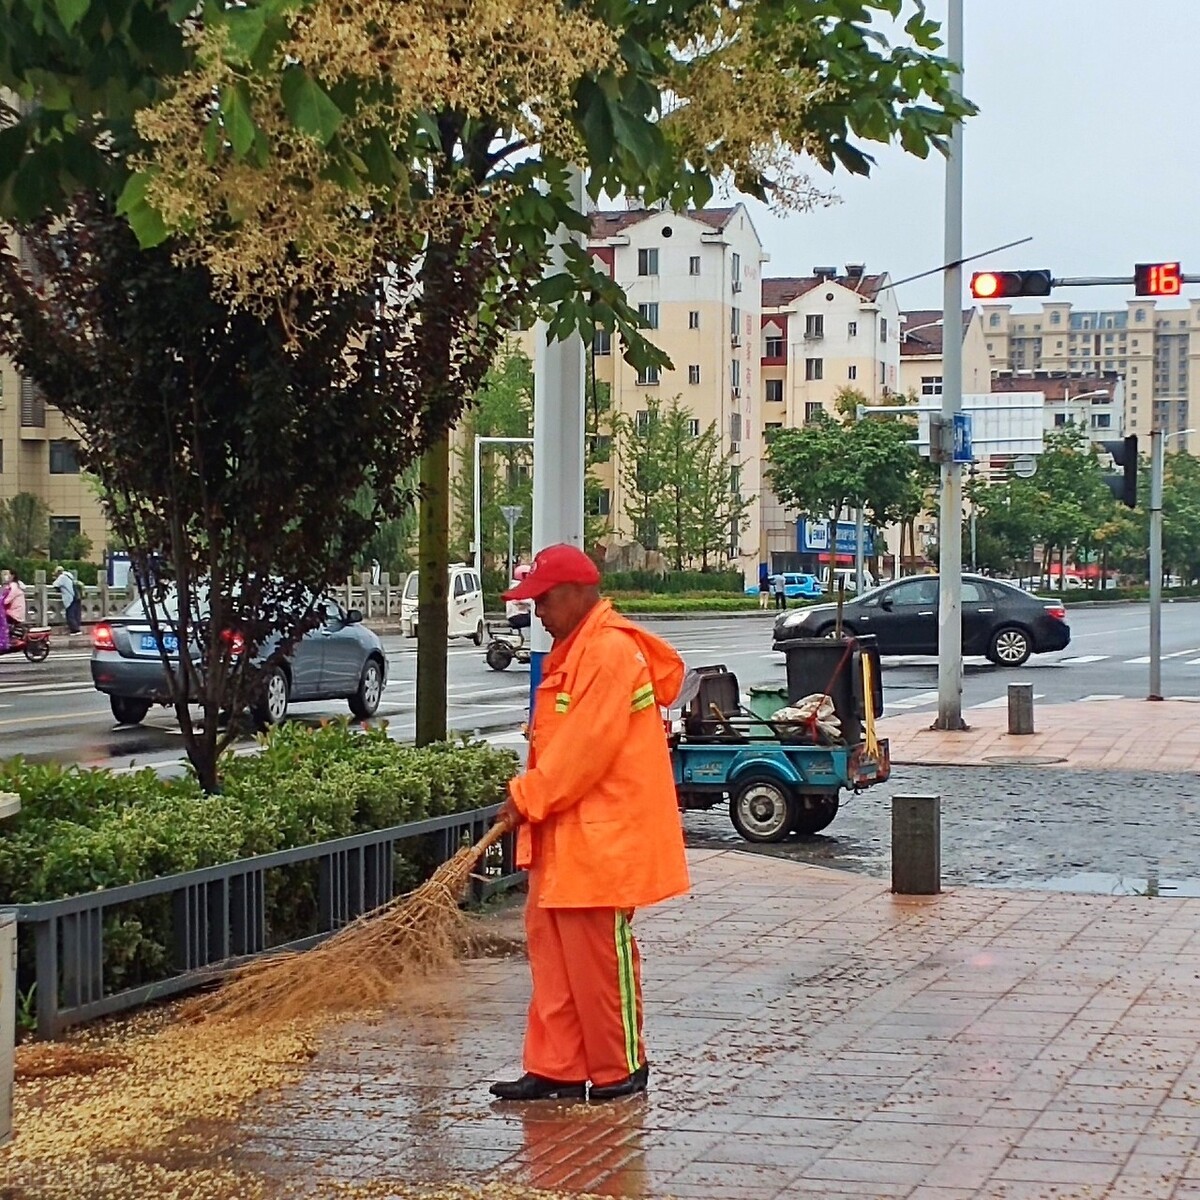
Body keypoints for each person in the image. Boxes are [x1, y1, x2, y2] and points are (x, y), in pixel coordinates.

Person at [490, 544, 690, 1103]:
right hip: (566, 831)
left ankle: (620, 1067)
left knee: (598, 957)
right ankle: (557, 1067)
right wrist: (533, 800)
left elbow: (583, 751)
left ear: (578, 594)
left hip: (601, 836)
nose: (538, 613)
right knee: (554, 953)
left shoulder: (608, 653)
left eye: (543, 600)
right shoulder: (576, 651)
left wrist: (526, 796)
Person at [52, 565, 82, 635]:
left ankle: (75, 630)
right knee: (76, 614)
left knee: (70, 614)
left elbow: (55, 584)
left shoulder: (62, 577)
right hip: (76, 597)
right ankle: (77, 628)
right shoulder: (70, 576)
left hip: (69, 598)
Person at [2, 569, 26, 640]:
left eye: (7, 574)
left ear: (12, 576)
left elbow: (7, 600)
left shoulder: (13, 586)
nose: (6, 576)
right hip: (12, 611)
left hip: (14, 613)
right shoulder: (12, 585)